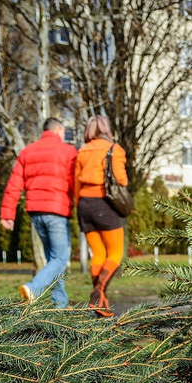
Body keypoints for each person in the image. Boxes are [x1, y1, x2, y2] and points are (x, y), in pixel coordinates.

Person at [0, 117, 78, 306]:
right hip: (57, 212)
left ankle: (60, 304)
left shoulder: (27, 151)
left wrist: (7, 214)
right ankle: (34, 287)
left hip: (36, 213)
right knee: (60, 259)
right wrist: (83, 209)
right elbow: (75, 183)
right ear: (59, 130)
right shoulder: (68, 151)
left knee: (53, 260)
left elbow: (14, 184)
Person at [74, 115, 128, 317]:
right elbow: (121, 180)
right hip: (104, 204)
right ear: (106, 128)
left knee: (97, 254)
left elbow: (76, 185)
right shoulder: (113, 149)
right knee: (115, 253)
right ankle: (98, 292)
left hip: (84, 206)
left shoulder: (81, 152)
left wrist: (80, 206)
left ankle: (101, 304)